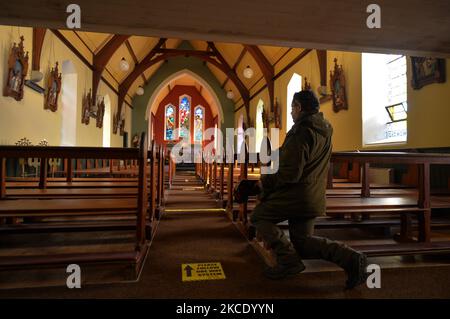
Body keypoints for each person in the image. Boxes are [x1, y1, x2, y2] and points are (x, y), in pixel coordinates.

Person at [249, 90, 368, 289]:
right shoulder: (325, 128)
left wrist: (264, 183)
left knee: (259, 216)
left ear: (299, 107)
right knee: (303, 242)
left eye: (292, 108)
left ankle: (288, 262)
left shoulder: (301, 131)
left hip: (297, 196)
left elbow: (290, 173)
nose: (291, 113)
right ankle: (351, 258)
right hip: (313, 194)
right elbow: (302, 158)